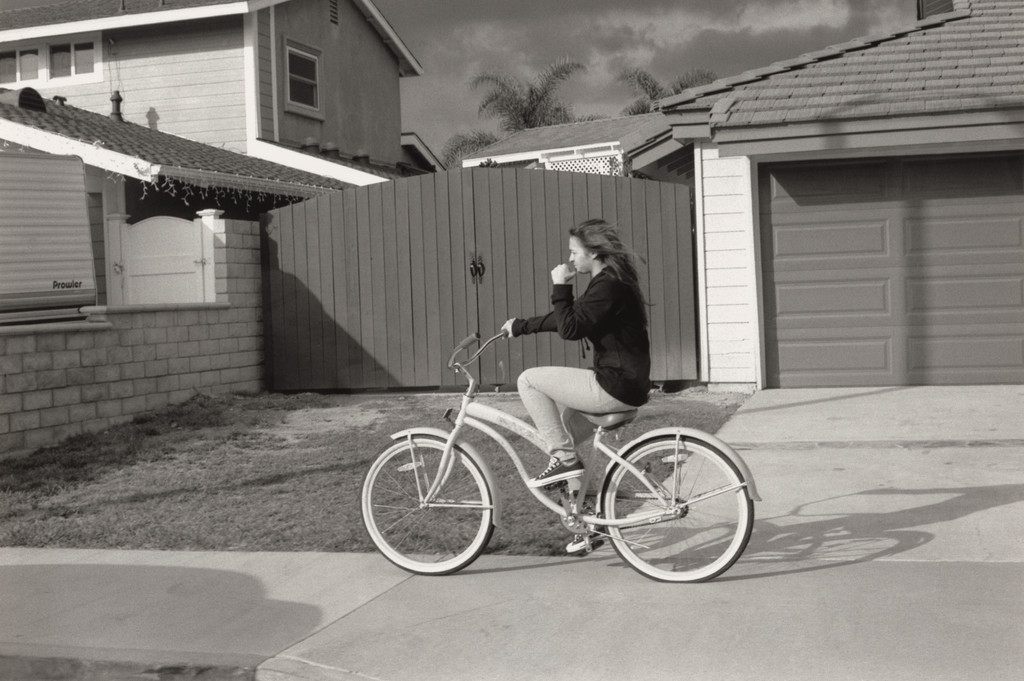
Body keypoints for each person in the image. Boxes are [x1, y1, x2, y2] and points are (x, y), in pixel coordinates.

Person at [501, 218, 652, 489]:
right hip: (626, 384)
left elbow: (570, 328)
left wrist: (560, 286)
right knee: (561, 432)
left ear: (592, 252)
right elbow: (568, 317)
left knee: (528, 380)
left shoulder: (608, 285)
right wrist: (521, 326)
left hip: (615, 384)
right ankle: (586, 520)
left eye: (574, 251)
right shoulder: (608, 282)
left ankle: (565, 460)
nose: (570, 259)